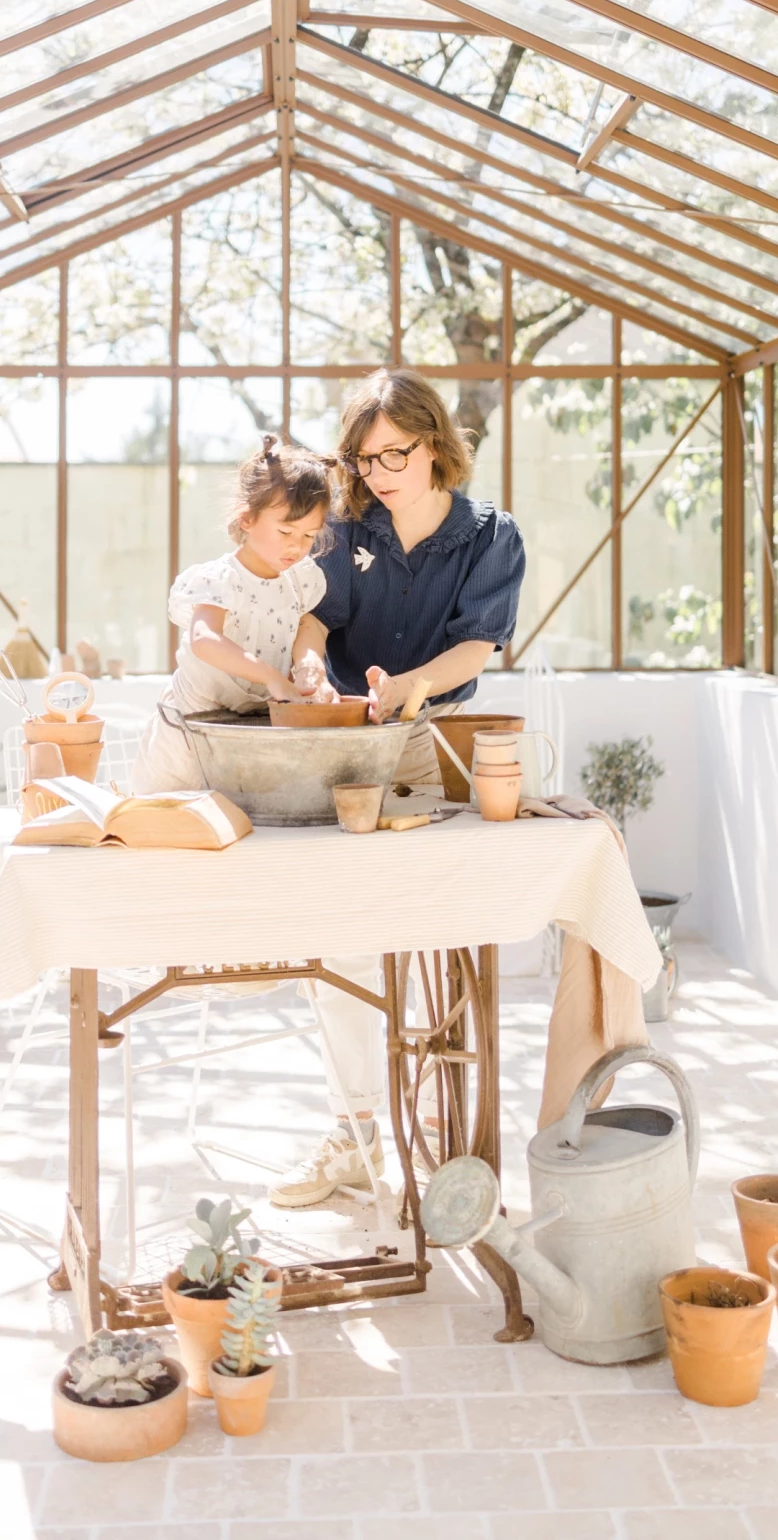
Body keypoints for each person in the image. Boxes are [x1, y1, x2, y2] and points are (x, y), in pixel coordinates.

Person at [270, 369, 526, 1208]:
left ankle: (450, 1123)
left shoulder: (492, 537)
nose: (378, 474)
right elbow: (315, 620)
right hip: (344, 746)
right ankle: (355, 1133)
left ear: (436, 443)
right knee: (338, 937)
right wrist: (310, 668)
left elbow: (477, 646)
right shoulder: (346, 528)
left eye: (395, 454)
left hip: (435, 747)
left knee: (444, 937)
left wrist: (410, 686)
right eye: (363, 459)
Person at [131, 436, 334, 794]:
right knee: (168, 816)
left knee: (240, 818)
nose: (296, 545)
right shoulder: (221, 579)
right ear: (247, 518)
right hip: (190, 727)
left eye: (309, 535)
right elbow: (204, 640)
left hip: (248, 731)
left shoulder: (299, 582)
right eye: (285, 531)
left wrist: (308, 666)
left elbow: (305, 627)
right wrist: (271, 677)